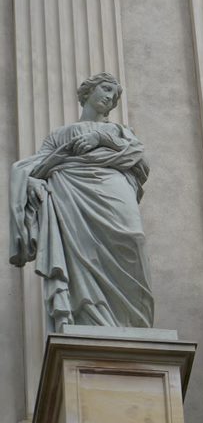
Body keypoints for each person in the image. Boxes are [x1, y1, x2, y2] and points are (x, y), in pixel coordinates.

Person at [9, 72, 154, 329]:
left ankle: (134, 324)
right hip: (70, 192)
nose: (110, 96)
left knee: (133, 238)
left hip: (113, 186)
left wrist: (101, 139)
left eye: (114, 94)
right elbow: (35, 165)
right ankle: (90, 319)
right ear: (87, 92)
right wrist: (32, 181)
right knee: (82, 251)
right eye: (106, 89)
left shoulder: (120, 131)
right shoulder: (59, 135)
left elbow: (139, 159)